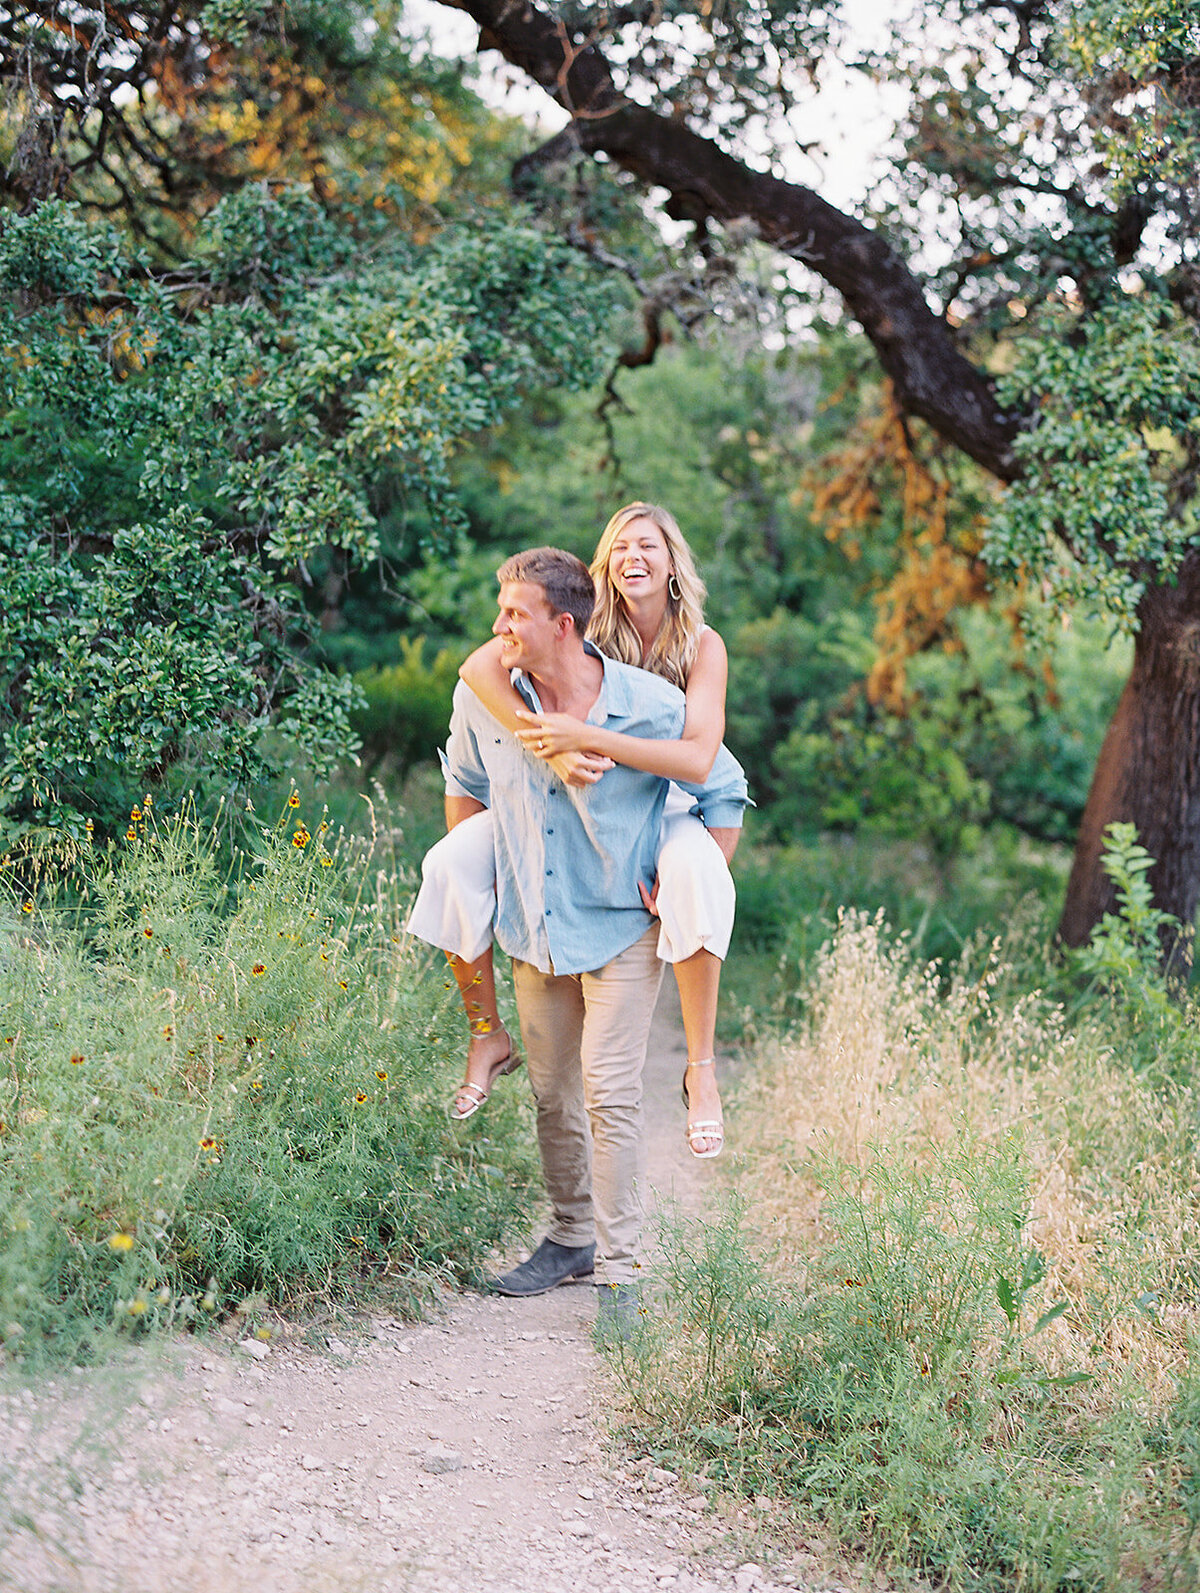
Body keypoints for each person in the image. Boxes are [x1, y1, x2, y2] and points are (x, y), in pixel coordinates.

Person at [426, 546, 748, 1326]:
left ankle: (622, 1276)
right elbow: (463, 788)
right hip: (534, 926)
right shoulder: (488, 699)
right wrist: (486, 874)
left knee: (610, 1095)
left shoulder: (646, 704)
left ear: (562, 624)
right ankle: (570, 1234)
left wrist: (683, 873)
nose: (499, 626)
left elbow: (723, 786)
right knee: (551, 1093)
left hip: (619, 929)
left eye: (514, 615)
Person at [408, 503, 737, 1159]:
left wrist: (583, 736)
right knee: (450, 864)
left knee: (700, 875)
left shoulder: (701, 643)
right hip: (570, 798)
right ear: (604, 566)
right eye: (619, 546)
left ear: (672, 561)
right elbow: (478, 669)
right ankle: (486, 1032)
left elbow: (702, 762)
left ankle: (701, 1070)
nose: (632, 556)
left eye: (647, 544)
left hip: (666, 797)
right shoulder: (583, 629)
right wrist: (548, 745)